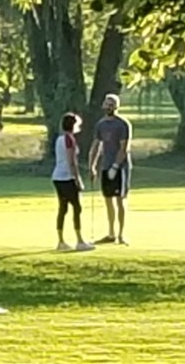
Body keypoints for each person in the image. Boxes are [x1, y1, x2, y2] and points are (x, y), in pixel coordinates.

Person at [90, 92, 133, 245]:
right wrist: (92, 165)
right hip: (106, 166)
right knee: (108, 199)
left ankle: (121, 234)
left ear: (116, 106)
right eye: (107, 103)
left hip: (120, 167)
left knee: (121, 200)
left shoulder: (122, 124)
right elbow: (96, 145)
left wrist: (116, 165)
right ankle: (111, 233)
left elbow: (124, 148)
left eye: (112, 104)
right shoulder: (100, 124)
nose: (109, 106)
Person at [50, 112, 94, 252]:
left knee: (63, 208)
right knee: (76, 207)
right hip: (67, 177)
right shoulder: (69, 139)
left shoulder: (59, 139)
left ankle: (61, 241)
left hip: (57, 177)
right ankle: (79, 240)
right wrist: (77, 178)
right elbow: (71, 161)